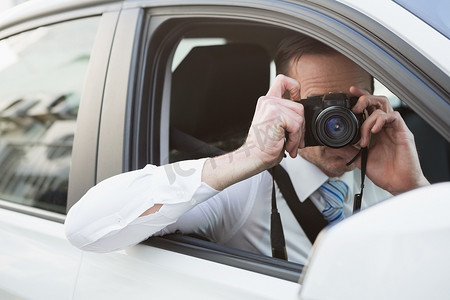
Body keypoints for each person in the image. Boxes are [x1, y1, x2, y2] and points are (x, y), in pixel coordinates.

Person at [64, 36, 429, 265]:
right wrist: (247, 157)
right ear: (287, 102)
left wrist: (415, 190)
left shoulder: (388, 176)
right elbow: (84, 228)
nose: (336, 124)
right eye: (319, 106)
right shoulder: (244, 187)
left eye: (347, 105)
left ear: (370, 102)